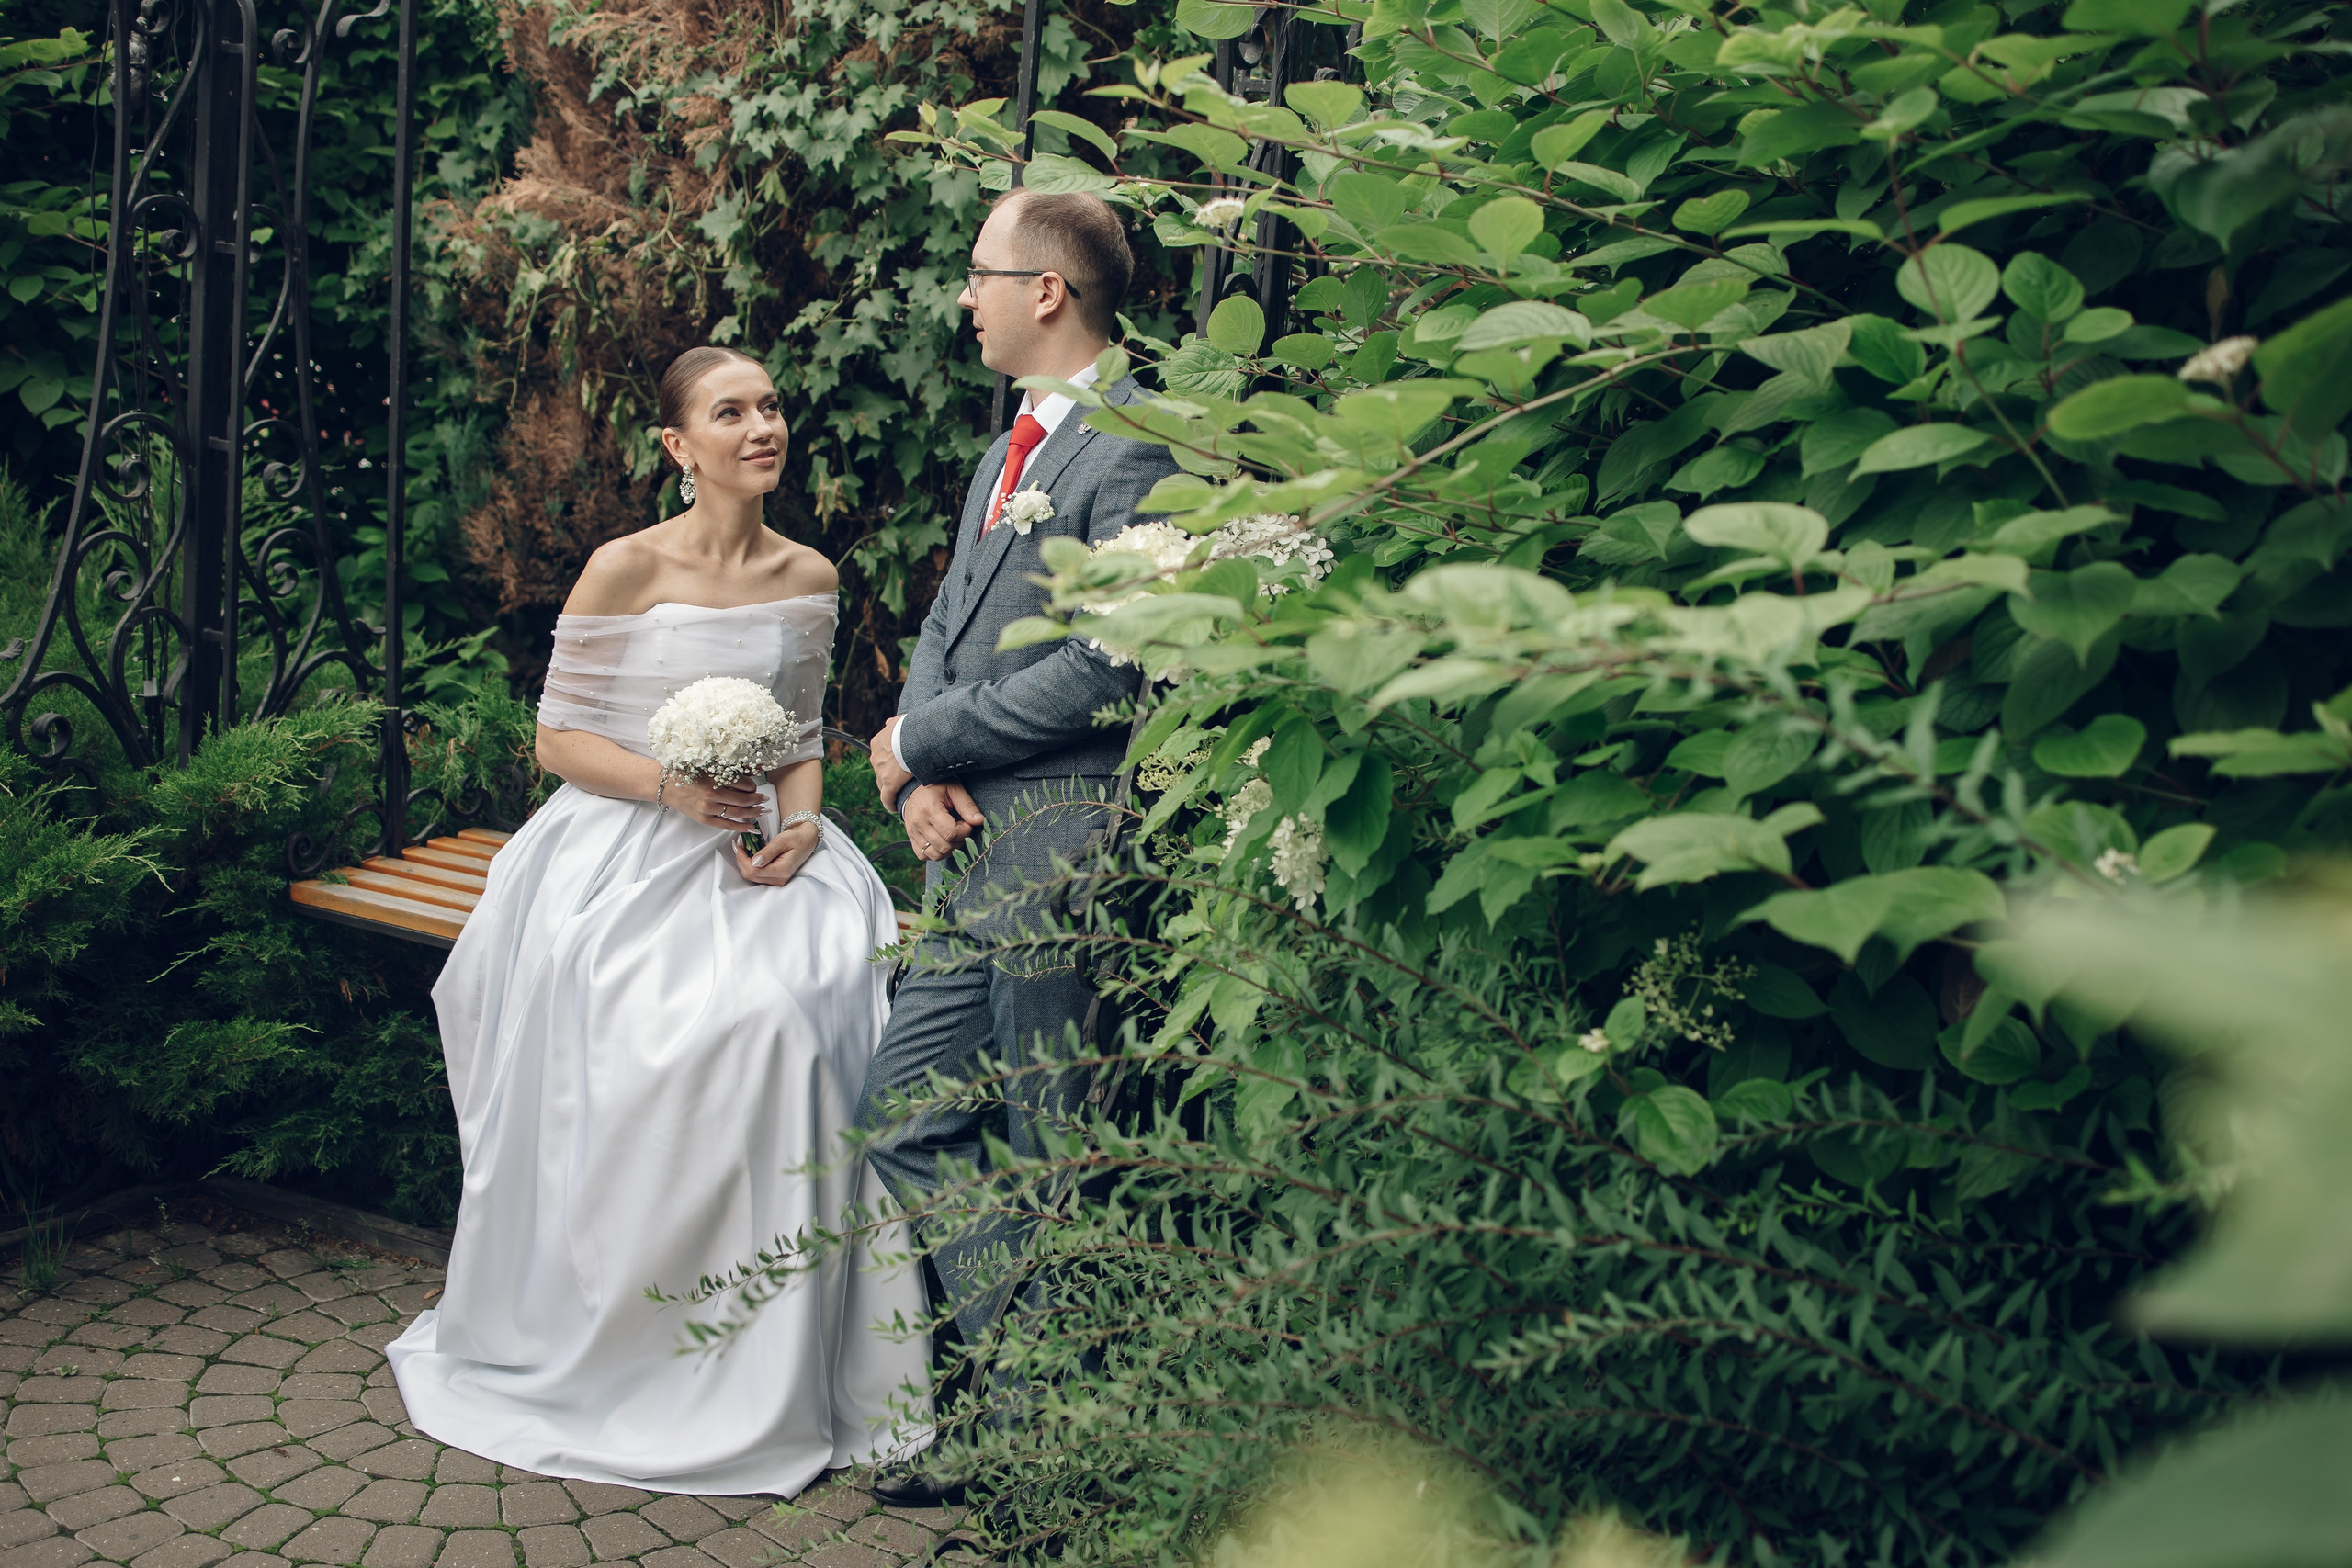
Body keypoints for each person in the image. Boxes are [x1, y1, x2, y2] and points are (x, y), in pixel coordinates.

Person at [387, 346, 931, 1496]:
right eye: (730, 413)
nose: (761, 427)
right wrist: (670, 792)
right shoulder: (625, 569)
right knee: (672, 1022)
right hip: (627, 844)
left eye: (772, 405)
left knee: (805, 1007)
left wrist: (802, 823)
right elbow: (557, 741)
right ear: (681, 448)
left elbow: (798, 733)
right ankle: (635, 1329)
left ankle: (782, 1351)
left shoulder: (810, 571)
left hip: (765, 854)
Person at [854, 187, 1181, 1506]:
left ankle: (1053, 1453)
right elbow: (945, 626)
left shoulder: (1145, 451)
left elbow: (1112, 669)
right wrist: (915, 769)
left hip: (1063, 848)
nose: (967, 297)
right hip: (968, 847)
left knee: (1058, 1140)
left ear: (1048, 290)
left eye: (982, 273)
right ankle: (1035, 1410)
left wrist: (927, 739)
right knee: (905, 1106)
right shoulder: (1004, 458)